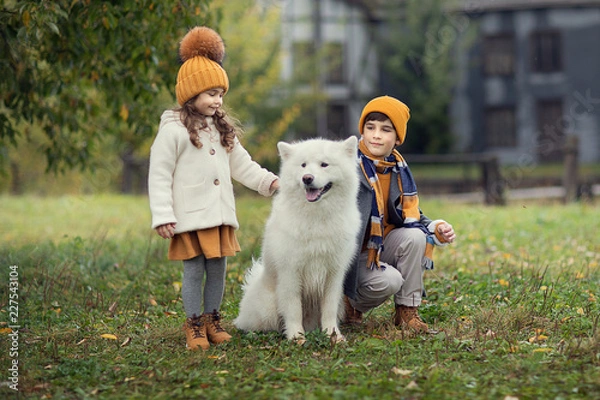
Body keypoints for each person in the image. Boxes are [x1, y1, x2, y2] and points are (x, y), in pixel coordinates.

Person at [148, 26, 279, 350]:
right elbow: (159, 174)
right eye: (210, 93)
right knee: (194, 270)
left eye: (221, 93)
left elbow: (242, 165)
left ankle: (212, 318)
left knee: (218, 269)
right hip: (189, 216)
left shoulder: (222, 129)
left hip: (219, 215)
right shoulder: (173, 130)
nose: (217, 100)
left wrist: (267, 181)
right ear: (191, 94)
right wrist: (163, 214)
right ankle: (193, 324)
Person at [343, 95, 456, 333]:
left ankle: (407, 312)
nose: (376, 135)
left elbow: (411, 215)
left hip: (380, 250)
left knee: (416, 236)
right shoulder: (346, 165)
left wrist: (436, 228)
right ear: (361, 130)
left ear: (397, 139)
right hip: (349, 257)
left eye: (385, 130)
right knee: (390, 280)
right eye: (370, 127)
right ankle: (347, 304)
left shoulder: (397, 168)